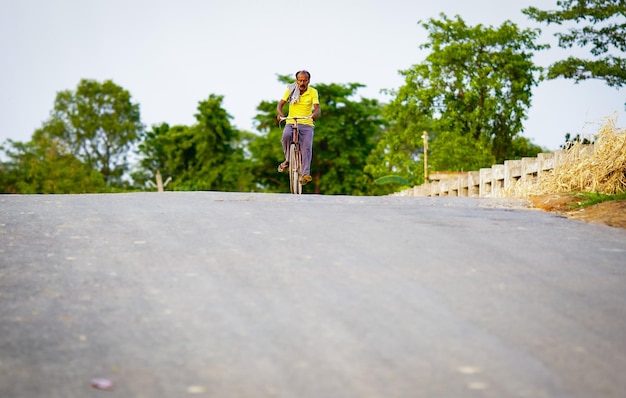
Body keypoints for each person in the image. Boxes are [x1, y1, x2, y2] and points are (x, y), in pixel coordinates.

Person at [276, 70, 321, 185]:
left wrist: (315, 114)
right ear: (296, 80)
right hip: (291, 120)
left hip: (306, 122)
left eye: (304, 80)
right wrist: (280, 114)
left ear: (308, 81)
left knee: (306, 146)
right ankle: (288, 160)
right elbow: (280, 104)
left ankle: (305, 174)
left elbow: (317, 108)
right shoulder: (290, 90)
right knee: (286, 136)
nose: (302, 83)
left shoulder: (313, 92)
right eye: (300, 80)